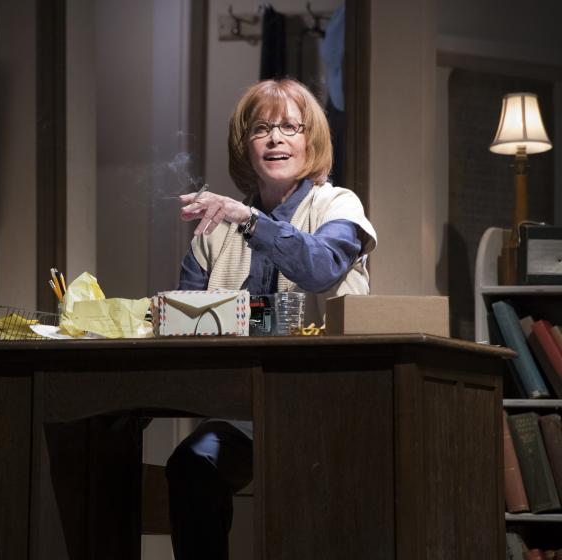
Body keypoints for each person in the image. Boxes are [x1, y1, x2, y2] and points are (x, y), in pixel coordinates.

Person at [165, 78, 377, 559]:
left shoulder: (338, 205)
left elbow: (321, 270)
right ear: (246, 145)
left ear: (311, 140)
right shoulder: (214, 228)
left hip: (325, 405)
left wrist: (250, 221)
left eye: (289, 127)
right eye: (261, 129)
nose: (276, 139)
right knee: (191, 466)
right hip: (243, 413)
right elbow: (187, 325)